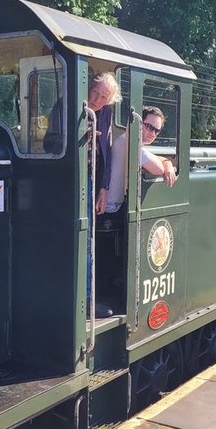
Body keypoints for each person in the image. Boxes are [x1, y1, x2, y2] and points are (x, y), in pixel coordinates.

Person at [85, 72, 121, 318]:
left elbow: (106, 152)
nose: (97, 100)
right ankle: (84, 301)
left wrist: (104, 189)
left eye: (104, 97)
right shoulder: (68, 106)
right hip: (72, 182)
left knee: (90, 242)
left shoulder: (105, 113)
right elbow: (49, 143)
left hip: (94, 181)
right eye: (95, 93)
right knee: (83, 241)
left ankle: (88, 298)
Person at [106, 106, 177, 214]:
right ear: (139, 123)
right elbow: (158, 169)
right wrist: (167, 164)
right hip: (111, 209)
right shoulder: (130, 143)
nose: (153, 133)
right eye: (149, 126)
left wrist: (166, 162)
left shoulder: (127, 139)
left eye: (157, 130)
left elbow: (153, 158)